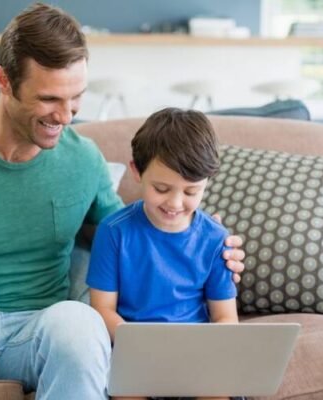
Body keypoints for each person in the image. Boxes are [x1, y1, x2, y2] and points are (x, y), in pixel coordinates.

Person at [0, 4, 245, 400]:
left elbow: (139, 234)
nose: (66, 116)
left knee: (81, 322)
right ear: (3, 80)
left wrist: (205, 242)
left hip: (41, 325)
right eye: (50, 99)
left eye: (76, 98)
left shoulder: (83, 159)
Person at [87, 108, 241, 400]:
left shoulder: (216, 239)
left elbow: (225, 318)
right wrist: (141, 347)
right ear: (136, 172)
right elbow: (102, 308)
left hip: (196, 357)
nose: (175, 202)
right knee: (125, 391)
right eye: (161, 188)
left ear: (207, 182)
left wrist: (201, 354)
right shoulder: (114, 231)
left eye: (191, 191)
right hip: (134, 355)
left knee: (217, 390)